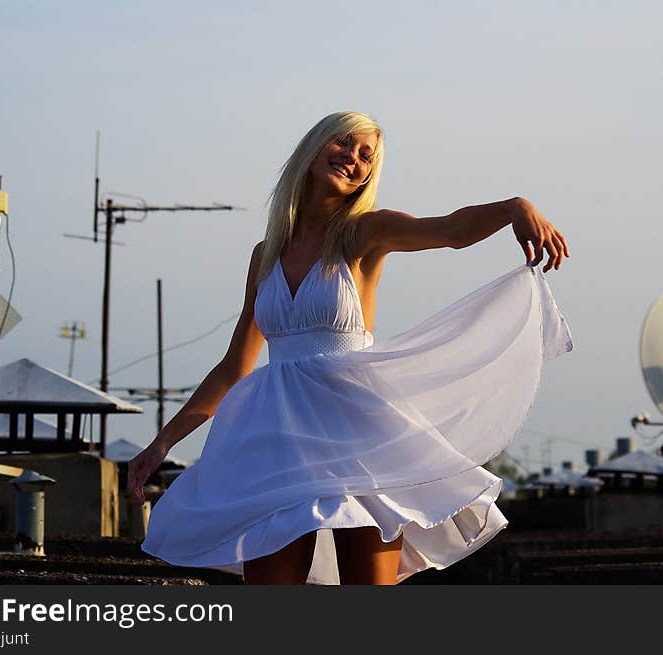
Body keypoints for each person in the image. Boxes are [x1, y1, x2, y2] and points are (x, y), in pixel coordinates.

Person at [128, 111, 572, 585]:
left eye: (366, 156)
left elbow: (450, 231)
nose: (352, 159)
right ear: (315, 148)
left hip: (360, 441)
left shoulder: (365, 233)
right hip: (278, 446)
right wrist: (162, 443)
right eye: (343, 143)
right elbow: (235, 367)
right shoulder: (266, 254)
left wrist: (513, 208)